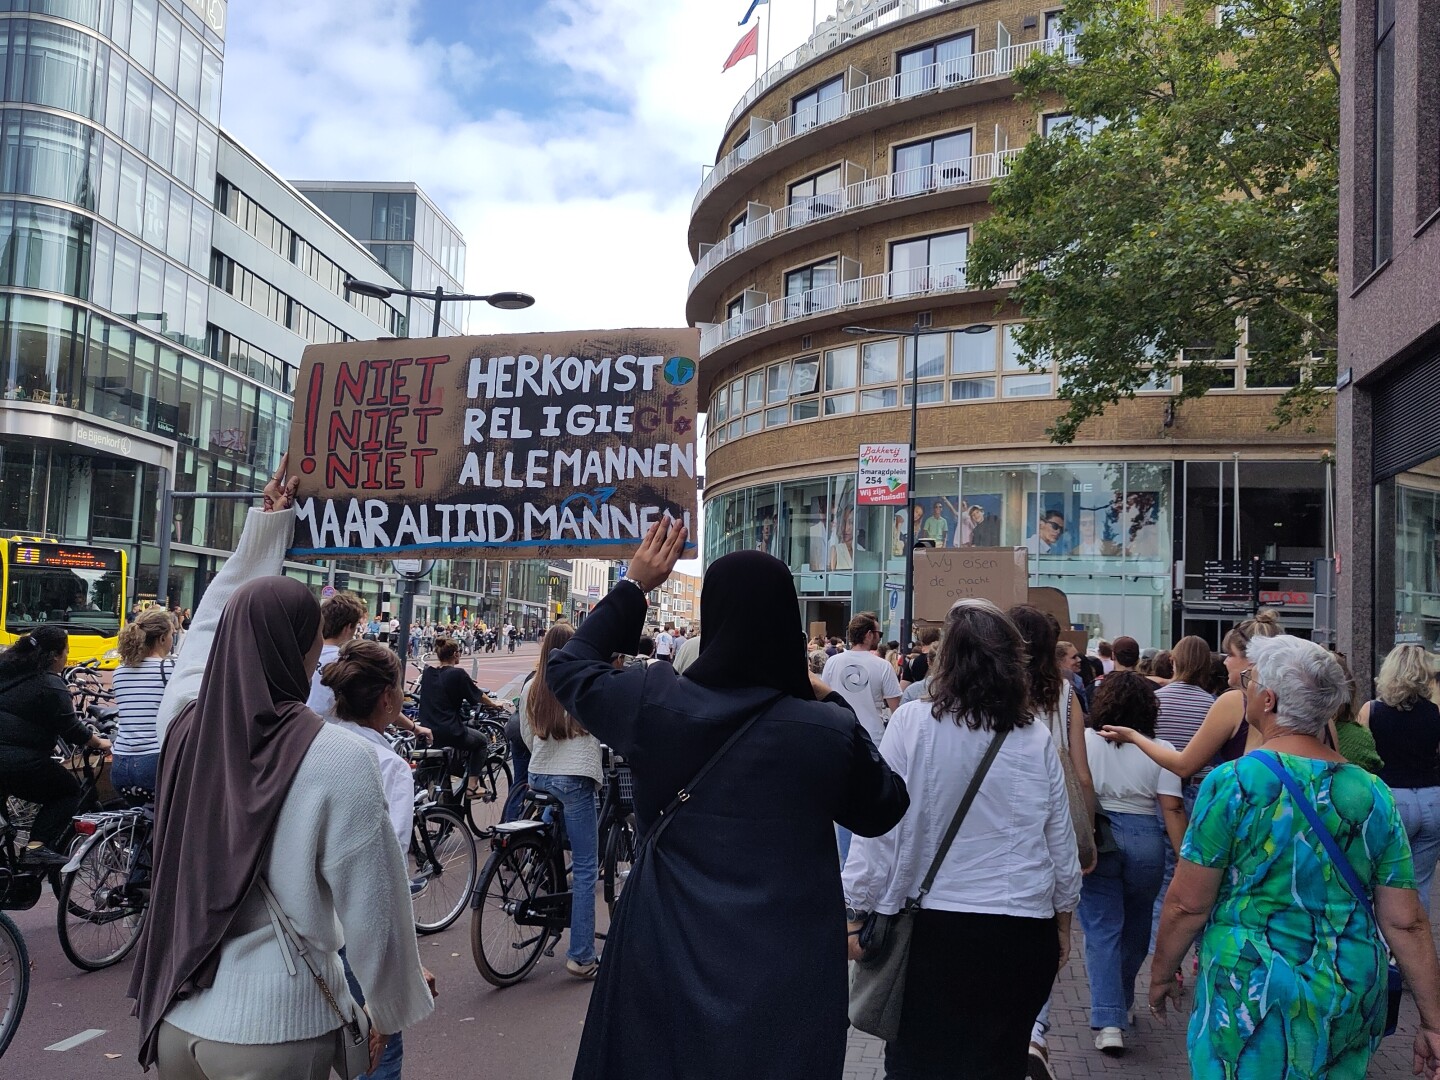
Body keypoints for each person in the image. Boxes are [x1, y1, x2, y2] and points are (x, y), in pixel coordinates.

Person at [546, 522, 909, 1080]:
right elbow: (885, 807)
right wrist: (827, 694)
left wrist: (635, 586)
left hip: (668, 949)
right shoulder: (824, 730)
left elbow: (569, 666)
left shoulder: (656, 701)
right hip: (788, 970)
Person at [129, 458, 432, 1074]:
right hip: (279, 1028)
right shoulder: (340, 757)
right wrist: (388, 1005)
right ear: (297, 656)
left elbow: (214, 619)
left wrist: (267, 531)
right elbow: (374, 901)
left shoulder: (184, 724)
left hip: (179, 1015)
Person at [1151, 634, 1440, 1080]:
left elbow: (1187, 903)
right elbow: (1406, 921)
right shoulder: (1371, 792)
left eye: (1249, 681)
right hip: (1347, 987)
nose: (1243, 687)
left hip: (1250, 989)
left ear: (1268, 700)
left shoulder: (1234, 783)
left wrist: (1162, 973)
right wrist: (1432, 1022)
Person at [844, 598, 1082, 1080]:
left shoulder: (913, 724)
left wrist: (855, 911)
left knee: (917, 1064)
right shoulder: (1033, 736)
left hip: (936, 932)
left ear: (945, 659)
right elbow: (1060, 842)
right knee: (1000, 1064)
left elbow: (879, 831)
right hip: (1020, 928)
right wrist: (1062, 922)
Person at [322, 638, 439, 1080]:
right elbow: (383, 871)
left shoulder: (315, 741)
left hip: (311, 922)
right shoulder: (388, 767)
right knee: (378, 1049)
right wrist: (402, 962)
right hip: (358, 929)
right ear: (388, 698)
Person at [1079, 673, 1186, 1054]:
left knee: (1101, 928)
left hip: (1101, 835)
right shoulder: (1160, 748)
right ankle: (1120, 1003)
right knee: (1137, 926)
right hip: (1145, 839)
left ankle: (1109, 1020)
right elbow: (1171, 807)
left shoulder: (1085, 741)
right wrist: (1185, 857)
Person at [1008, 604, 1094, 1077]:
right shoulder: (1063, 694)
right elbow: (1081, 772)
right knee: (1047, 925)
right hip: (1053, 812)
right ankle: (1035, 1032)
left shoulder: (993, 689)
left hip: (1008, 814)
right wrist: (1088, 832)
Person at [1100, 610, 1284, 778]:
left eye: (1230, 654)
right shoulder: (1292, 699)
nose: (1225, 662)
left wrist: (1133, 736)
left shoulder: (1234, 701)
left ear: (1251, 661)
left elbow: (1184, 766)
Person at [520, 622, 603, 979]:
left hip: (539, 773)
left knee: (554, 817)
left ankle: (538, 866)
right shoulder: (580, 684)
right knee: (586, 866)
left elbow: (526, 734)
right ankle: (581, 955)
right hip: (574, 777)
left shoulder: (531, 687)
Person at [0, 625, 110, 864]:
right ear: (55, 655)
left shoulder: (7, 670)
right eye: (66, 652)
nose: (67, 658)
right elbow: (71, 729)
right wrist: (99, 742)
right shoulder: (50, 683)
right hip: (20, 760)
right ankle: (36, 847)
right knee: (67, 792)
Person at [1358, 643, 1440, 917]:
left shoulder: (1371, 711)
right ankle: (1418, 947)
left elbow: (1362, 757)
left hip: (1392, 798)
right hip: (1432, 799)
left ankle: (1387, 949)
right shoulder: (1434, 713)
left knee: (1384, 881)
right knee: (1420, 885)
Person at [822, 612, 901, 862]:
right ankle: (868, 864)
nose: (879, 637)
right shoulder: (882, 666)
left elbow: (823, 697)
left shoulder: (833, 663)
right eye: (878, 633)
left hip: (838, 738)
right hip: (874, 742)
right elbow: (896, 710)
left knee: (846, 806)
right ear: (868, 635)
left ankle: (847, 863)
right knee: (871, 805)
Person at [417, 637, 496, 795]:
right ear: (455, 654)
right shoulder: (458, 674)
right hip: (449, 730)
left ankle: (443, 802)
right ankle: (472, 786)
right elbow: (478, 696)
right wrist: (495, 704)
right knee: (481, 742)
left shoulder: (427, 673)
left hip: (426, 731)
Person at [111, 608, 175, 794]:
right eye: (172, 634)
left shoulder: (119, 672)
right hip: (153, 760)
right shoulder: (170, 668)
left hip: (121, 762)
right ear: (162, 638)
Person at [305, 592, 366, 722]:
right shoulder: (346, 661)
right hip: (330, 730)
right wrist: (413, 727)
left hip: (301, 725)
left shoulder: (304, 654)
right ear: (349, 627)